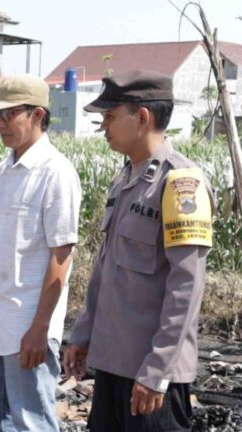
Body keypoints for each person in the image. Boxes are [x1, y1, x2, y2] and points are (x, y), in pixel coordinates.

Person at [64, 70, 213, 431]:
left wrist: (157, 370)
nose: (103, 127)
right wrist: (82, 336)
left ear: (142, 118)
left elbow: (186, 288)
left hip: (151, 379)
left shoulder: (180, 183)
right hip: (114, 367)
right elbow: (106, 269)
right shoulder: (126, 179)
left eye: (110, 116)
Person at [0, 74, 82, 431]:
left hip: (26, 323)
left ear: (38, 115)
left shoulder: (55, 173)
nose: (1, 123)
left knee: (30, 421)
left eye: (10, 114)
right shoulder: (7, 167)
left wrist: (40, 328)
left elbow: (61, 258)